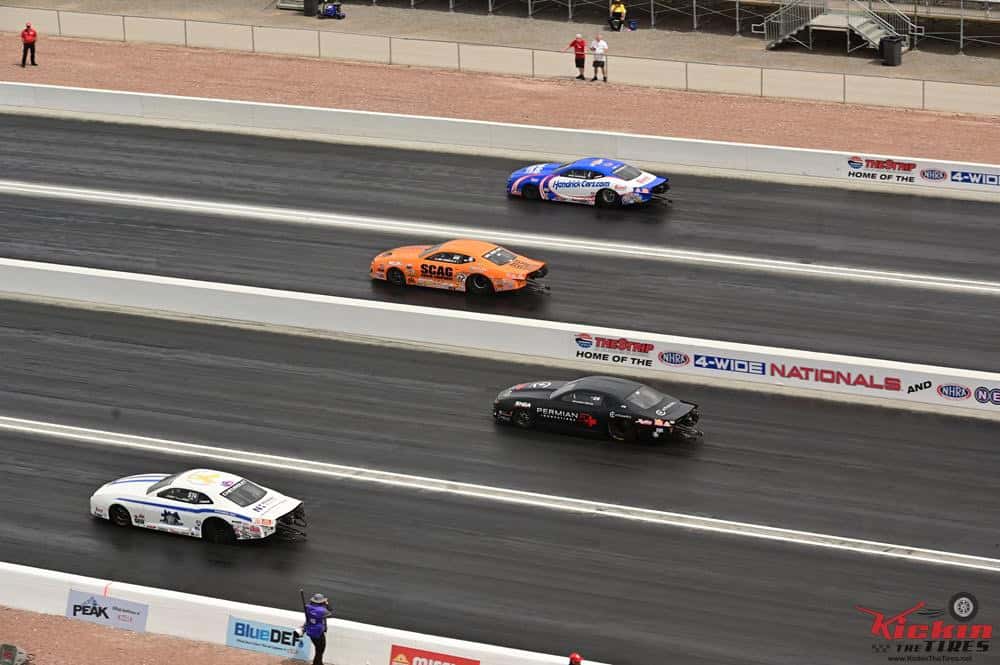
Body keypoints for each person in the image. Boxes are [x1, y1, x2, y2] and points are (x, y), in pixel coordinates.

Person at [300, 593, 333, 665]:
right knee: (320, 650)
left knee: (318, 649)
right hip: (319, 632)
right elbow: (330, 612)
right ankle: (316, 663)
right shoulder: (322, 611)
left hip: (311, 631)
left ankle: (319, 663)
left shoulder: (308, 608)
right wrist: (327, 604)